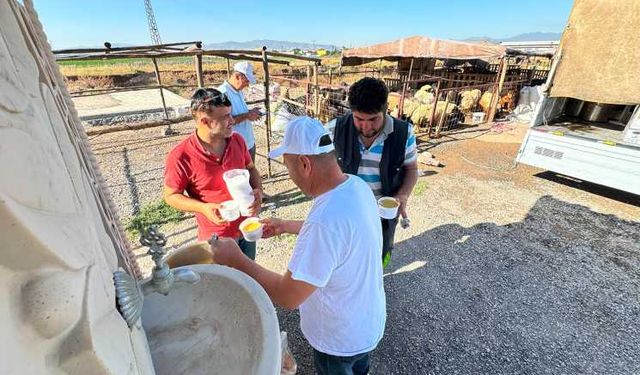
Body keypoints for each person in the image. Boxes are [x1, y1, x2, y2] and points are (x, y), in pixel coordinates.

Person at [210, 117, 386, 375]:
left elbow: (289, 295)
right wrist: (285, 225)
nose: (290, 175)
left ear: (304, 164)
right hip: (366, 322)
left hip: (339, 338)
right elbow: (339, 237)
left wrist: (236, 259)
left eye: (288, 167)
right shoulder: (355, 186)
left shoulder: (324, 221)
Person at [326, 77, 418, 267]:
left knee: (377, 255)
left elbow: (412, 168)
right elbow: (321, 169)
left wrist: (403, 195)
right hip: (345, 213)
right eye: (358, 119)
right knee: (344, 259)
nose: (366, 127)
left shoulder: (404, 133)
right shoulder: (334, 130)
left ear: (385, 109)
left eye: (373, 119)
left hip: (382, 214)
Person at [163, 88, 263, 259]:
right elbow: (171, 195)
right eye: (225, 117)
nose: (232, 121)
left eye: (230, 114)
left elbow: (251, 168)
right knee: (225, 282)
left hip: (246, 225)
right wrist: (203, 208)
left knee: (249, 278)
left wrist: (258, 191)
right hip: (216, 237)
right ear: (205, 122)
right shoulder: (181, 155)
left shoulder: (237, 140)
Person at [218, 61, 262, 162]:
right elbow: (224, 122)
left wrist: (251, 112)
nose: (247, 85)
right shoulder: (223, 94)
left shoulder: (238, 91)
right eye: (246, 81)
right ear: (237, 76)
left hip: (248, 143)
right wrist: (247, 115)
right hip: (235, 147)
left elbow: (239, 113)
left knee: (250, 174)